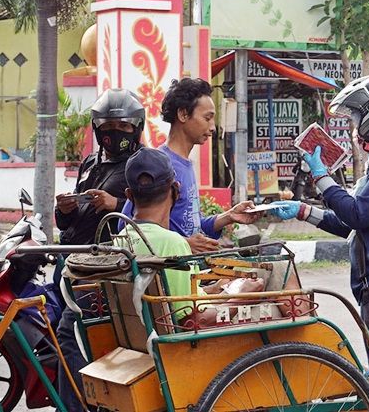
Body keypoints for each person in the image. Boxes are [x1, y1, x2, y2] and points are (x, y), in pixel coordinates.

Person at [269, 74, 369, 412]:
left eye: (359, 117)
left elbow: (357, 214)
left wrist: (321, 176)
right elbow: (351, 224)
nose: (356, 126)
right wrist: (303, 211)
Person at [54, 88, 145, 411]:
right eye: (108, 128)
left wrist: (117, 203)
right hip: (74, 262)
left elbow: (153, 210)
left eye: (123, 128)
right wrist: (65, 209)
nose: (115, 135)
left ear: (136, 128)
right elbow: (70, 224)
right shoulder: (92, 163)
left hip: (105, 269)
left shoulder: (140, 164)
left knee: (70, 334)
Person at [119, 147, 265, 325]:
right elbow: (193, 322)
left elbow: (179, 298)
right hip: (192, 339)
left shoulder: (121, 240)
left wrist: (217, 289)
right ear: (176, 189)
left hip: (146, 328)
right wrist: (242, 298)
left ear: (129, 195)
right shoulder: (173, 245)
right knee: (277, 308)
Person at [121, 77, 258, 252]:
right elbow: (125, 226)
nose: (212, 127)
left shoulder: (185, 164)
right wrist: (184, 243)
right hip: (172, 270)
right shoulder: (161, 166)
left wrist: (230, 216)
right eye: (207, 118)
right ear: (183, 114)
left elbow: (191, 225)